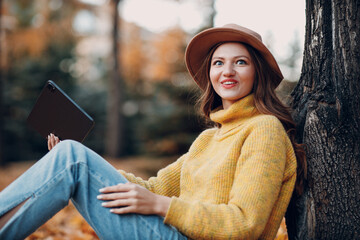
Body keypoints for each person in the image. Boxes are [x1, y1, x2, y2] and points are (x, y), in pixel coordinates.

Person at [0, 24, 306, 240]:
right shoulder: (209, 139)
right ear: (210, 74)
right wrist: (84, 169)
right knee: (72, 158)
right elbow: (154, 188)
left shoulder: (264, 130)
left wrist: (162, 207)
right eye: (218, 63)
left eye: (241, 62)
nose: (227, 71)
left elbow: (245, 224)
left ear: (257, 73)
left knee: (74, 159)